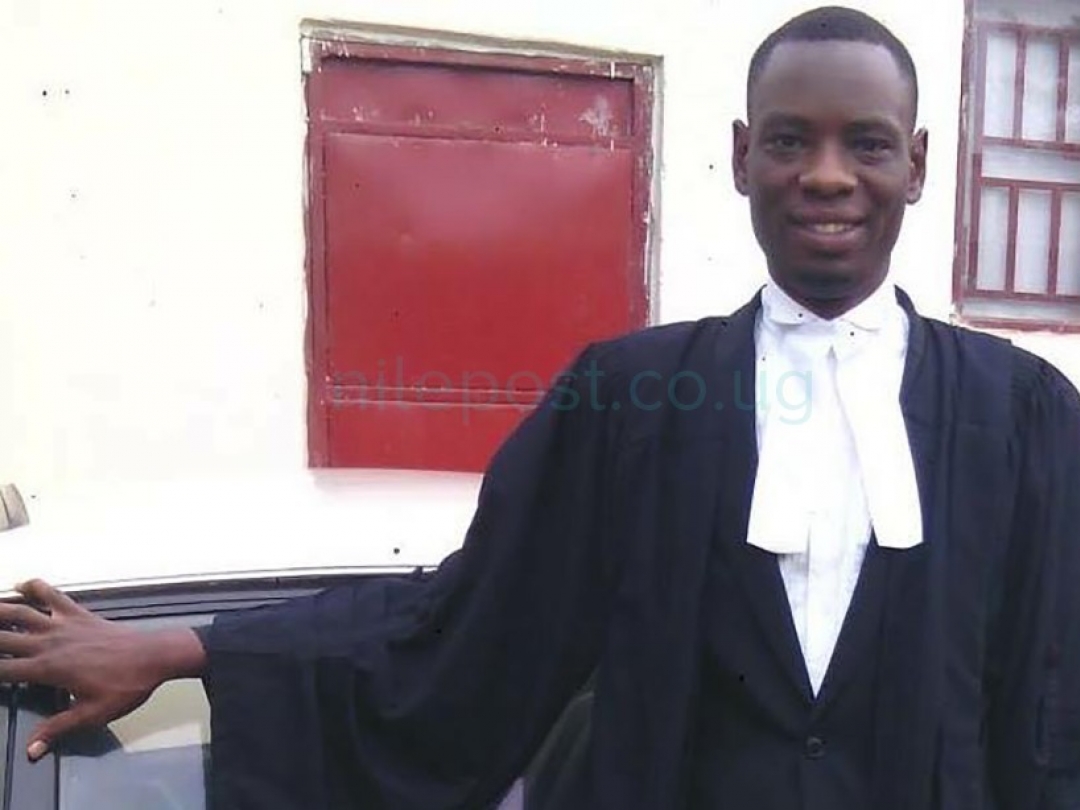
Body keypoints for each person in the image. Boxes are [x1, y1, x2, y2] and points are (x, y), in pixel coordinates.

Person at [3, 6, 1080, 809]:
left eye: (868, 144)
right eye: (791, 140)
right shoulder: (629, 401)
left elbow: (1055, 704)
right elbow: (466, 622)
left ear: (918, 166)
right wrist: (185, 651)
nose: (828, 176)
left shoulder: (1027, 417)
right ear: (742, 156)